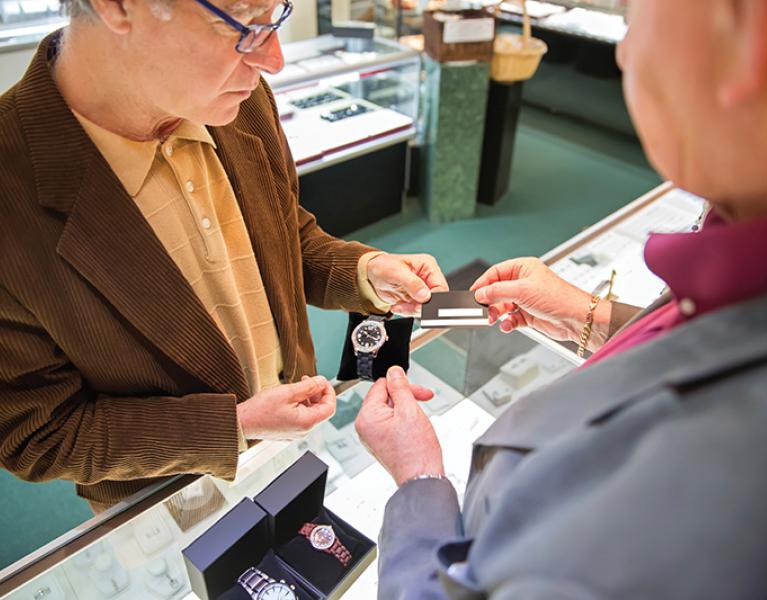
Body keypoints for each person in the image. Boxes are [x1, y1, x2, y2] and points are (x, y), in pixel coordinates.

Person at [355, 0, 767, 597]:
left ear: (753, 25)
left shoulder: (703, 478)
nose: (622, 48)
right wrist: (589, 316)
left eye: (637, 13)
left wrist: (419, 483)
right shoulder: (752, 264)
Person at [0, 0, 447, 511]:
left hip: (294, 438)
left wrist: (364, 271)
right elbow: (37, 433)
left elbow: (283, 235)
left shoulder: (242, 101)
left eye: (275, 16)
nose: (275, 59)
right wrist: (234, 426)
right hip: (165, 494)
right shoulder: (11, 191)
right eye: (240, 23)